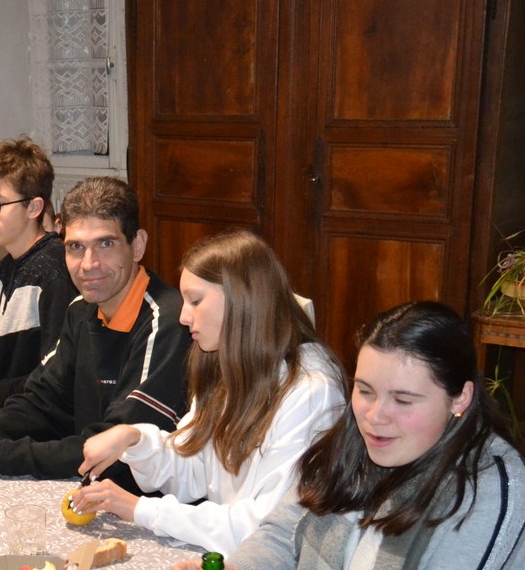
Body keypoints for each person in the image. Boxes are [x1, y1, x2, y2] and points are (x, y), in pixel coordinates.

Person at [171, 302, 525, 570]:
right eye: (364, 391)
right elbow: (283, 533)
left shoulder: (489, 487)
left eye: (403, 400)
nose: (375, 417)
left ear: (460, 398)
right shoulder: (352, 441)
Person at [71, 229, 344, 553]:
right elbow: (192, 469)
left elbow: (266, 528)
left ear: (242, 300)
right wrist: (134, 438)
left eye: (196, 301)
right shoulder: (227, 364)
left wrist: (140, 509)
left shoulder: (311, 392)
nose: (183, 316)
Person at [0, 176, 189, 486]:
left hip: (145, 502)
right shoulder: (81, 309)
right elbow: (42, 402)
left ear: (137, 245)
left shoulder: (167, 323)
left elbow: (113, 452)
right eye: (76, 247)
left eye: (106, 244)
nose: (89, 264)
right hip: (91, 489)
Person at [0, 137, 76, 411]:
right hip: (8, 410)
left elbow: (58, 376)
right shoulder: (4, 268)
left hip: (39, 420)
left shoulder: (54, 273)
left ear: (34, 207)